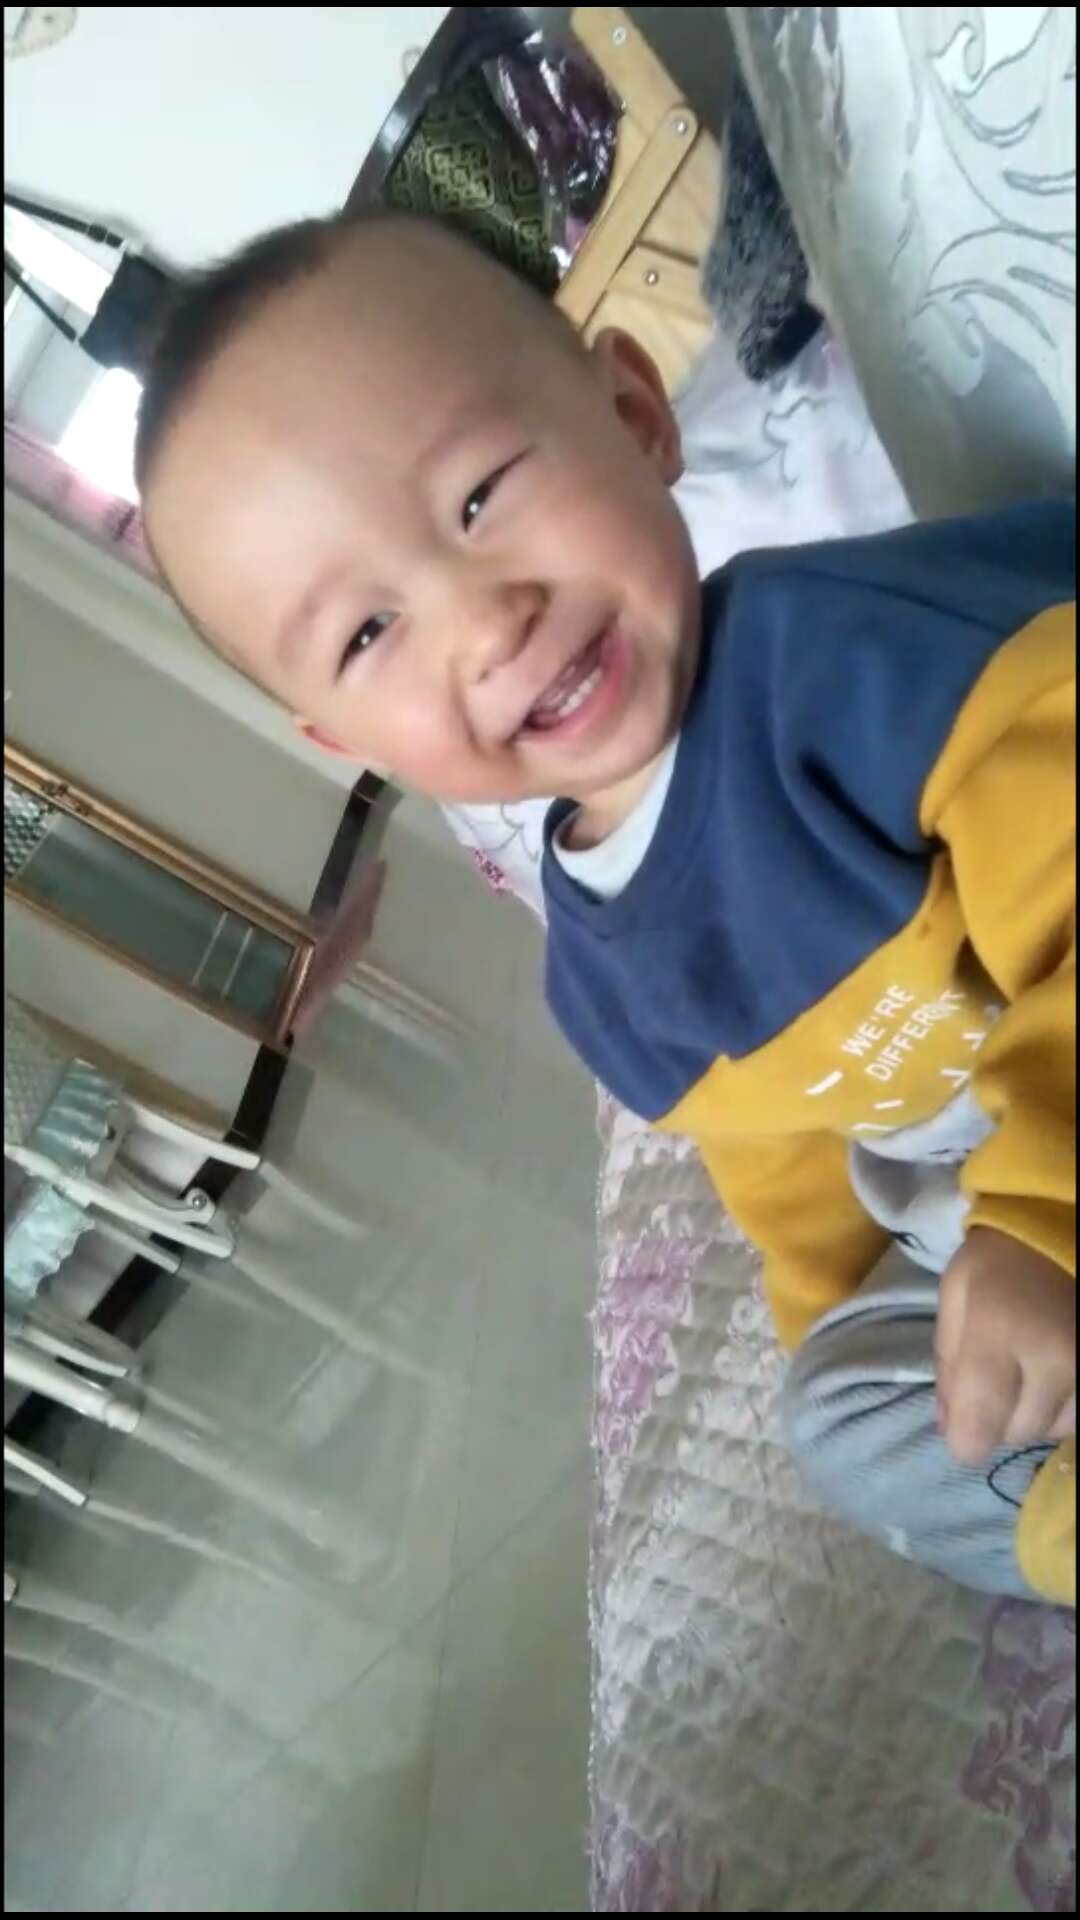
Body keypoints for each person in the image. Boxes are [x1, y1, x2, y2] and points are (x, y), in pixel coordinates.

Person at [134, 211, 1076, 1605]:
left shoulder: (855, 668)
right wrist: (876, 1305)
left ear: (632, 415)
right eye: (369, 633)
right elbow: (779, 1158)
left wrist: (1040, 1217)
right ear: (346, 739)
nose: (487, 620)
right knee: (842, 1413)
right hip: (996, 1197)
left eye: (479, 498)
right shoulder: (602, 979)